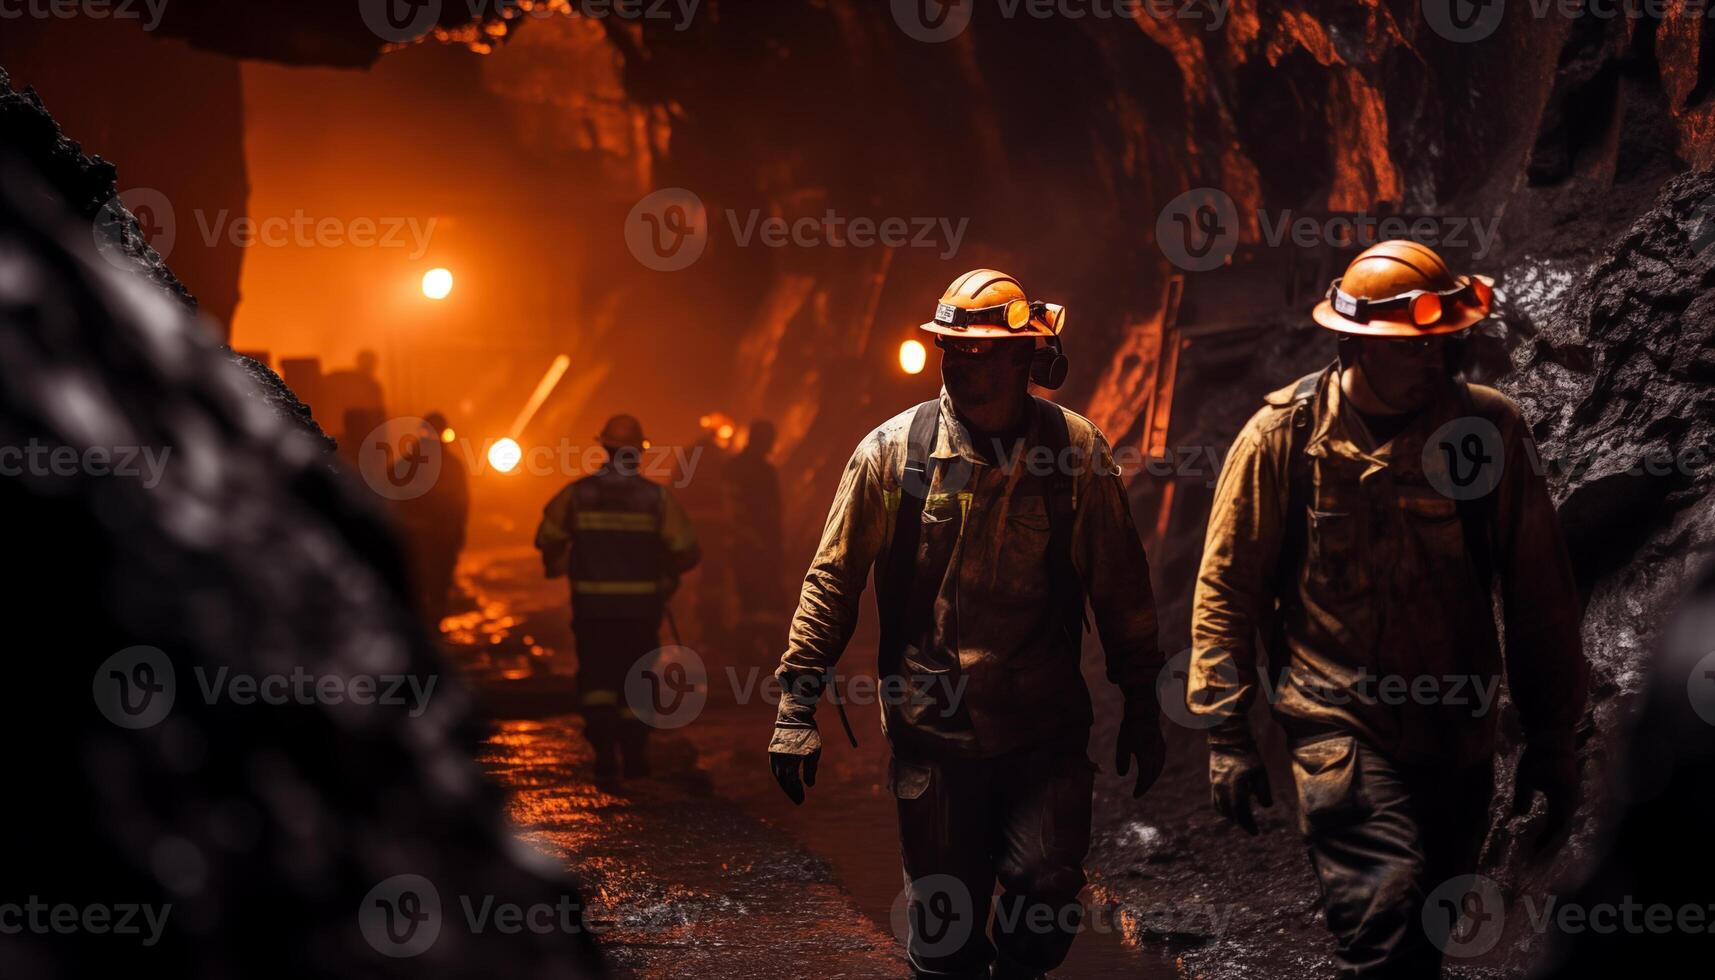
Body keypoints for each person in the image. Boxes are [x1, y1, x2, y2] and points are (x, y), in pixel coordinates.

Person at [1189, 240, 1588, 978]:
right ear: (1354, 344)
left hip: (1456, 736)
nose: (1430, 361)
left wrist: (1551, 736)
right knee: (1387, 919)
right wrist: (1226, 731)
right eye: (1410, 349)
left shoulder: (1487, 432)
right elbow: (1227, 590)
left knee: (1425, 937)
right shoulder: (1283, 437)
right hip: (1335, 725)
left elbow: (1539, 593)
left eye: (1440, 344)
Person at [766, 270, 1166, 980]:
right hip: (934, 734)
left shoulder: (1074, 454)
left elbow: (1121, 587)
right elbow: (832, 579)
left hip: (1042, 732)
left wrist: (1141, 700)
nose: (964, 366)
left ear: (1026, 358)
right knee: (946, 943)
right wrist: (796, 704)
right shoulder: (893, 453)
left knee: (1045, 899)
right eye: (954, 350)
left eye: (983, 352)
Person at [536, 414, 700, 785]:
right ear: (638, 453)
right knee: (637, 678)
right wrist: (665, 573)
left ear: (604, 448)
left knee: (596, 679)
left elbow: (548, 537)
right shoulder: (656, 499)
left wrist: (560, 561)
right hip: (640, 611)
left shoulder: (576, 495)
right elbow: (688, 550)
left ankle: (604, 753)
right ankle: (635, 755)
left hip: (592, 610)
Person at [722, 419, 785, 664]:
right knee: (763, 598)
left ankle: (746, 653)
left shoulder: (732, 468)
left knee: (748, 598)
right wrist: (772, 545)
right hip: (757, 544)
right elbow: (770, 513)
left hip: (741, 543)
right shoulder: (763, 472)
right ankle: (766, 650)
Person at [399, 411, 468, 625]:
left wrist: (457, 533)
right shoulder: (408, 465)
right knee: (423, 588)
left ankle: (432, 630)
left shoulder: (449, 466)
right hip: (422, 539)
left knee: (436, 588)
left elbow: (461, 505)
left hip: (439, 539)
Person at [319, 348, 385, 438]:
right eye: (368, 363)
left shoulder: (372, 385)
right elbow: (379, 414)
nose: (369, 366)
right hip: (356, 431)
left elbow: (379, 412)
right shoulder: (369, 384)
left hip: (359, 432)